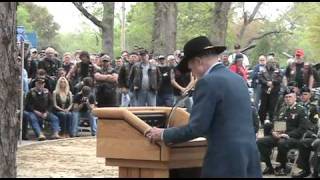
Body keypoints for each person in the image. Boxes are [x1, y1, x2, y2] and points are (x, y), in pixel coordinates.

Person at [146, 36, 262, 178]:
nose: (191, 72)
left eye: (190, 68)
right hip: (249, 155)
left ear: (198, 62)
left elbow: (197, 128)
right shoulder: (237, 79)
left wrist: (163, 134)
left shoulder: (207, 82)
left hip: (225, 160)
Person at [257, 87, 309, 176]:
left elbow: (302, 129)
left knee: (282, 143)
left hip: (294, 138)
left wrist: (287, 135)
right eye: (286, 97)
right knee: (261, 142)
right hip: (280, 136)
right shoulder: (283, 109)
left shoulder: (301, 110)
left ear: (295, 97)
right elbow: (277, 124)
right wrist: (274, 132)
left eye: (290, 97)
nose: (288, 99)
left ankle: (284, 166)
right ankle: (269, 166)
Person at [292, 86, 320, 178]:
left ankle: (315, 172)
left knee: (310, 141)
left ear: (310, 95)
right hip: (297, 129)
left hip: (309, 131)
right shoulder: (297, 105)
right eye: (302, 94)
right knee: (303, 143)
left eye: (305, 94)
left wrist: (310, 131)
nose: (303, 96)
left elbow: (314, 123)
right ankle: (305, 169)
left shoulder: (313, 107)